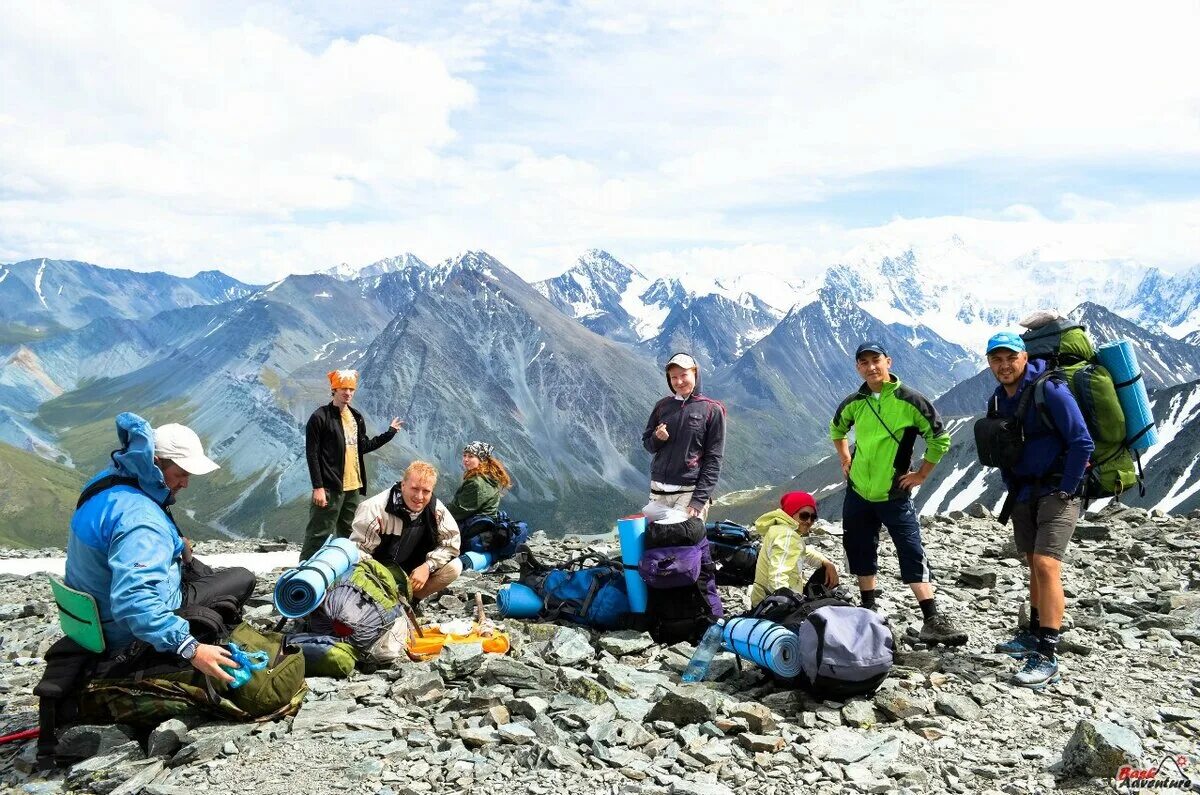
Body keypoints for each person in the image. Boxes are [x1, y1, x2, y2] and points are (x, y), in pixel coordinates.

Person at [65, 413, 255, 682]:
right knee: (241, 578)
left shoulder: (108, 482)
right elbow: (134, 601)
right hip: (125, 633)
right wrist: (190, 648)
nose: (185, 483)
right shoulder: (141, 522)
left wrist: (176, 543)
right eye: (181, 474)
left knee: (202, 573)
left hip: (96, 619)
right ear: (155, 463)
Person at [830, 341, 966, 645]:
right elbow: (837, 429)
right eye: (863, 363)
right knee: (860, 546)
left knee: (910, 547)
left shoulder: (911, 401)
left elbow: (939, 439)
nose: (870, 367)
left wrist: (921, 474)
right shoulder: (855, 402)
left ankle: (931, 618)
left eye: (875, 360)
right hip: (859, 491)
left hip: (894, 492)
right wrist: (845, 459)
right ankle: (868, 607)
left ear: (888, 362)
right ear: (858, 368)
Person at [984, 331, 1093, 688]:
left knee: (1047, 565)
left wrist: (1067, 488)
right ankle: (1032, 633)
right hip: (1025, 492)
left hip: (1059, 490)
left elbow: (1082, 440)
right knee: (1033, 563)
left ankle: (1047, 653)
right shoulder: (999, 399)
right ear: (989, 363)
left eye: (1010, 357)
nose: (1004, 365)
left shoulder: (1051, 389)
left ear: (1025, 357)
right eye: (996, 359)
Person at [302, 369, 402, 561]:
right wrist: (318, 487)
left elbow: (363, 447)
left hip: (353, 486)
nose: (347, 393)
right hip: (330, 488)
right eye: (343, 389)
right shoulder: (320, 417)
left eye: (351, 389)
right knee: (318, 533)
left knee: (350, 533)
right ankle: (304, 573)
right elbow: (312, 454)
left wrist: (389, 433)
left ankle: (344, 572)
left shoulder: (356, 417)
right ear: (334, 390)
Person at [350, 461, 462, 601]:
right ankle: (381, 600)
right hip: (378, 574)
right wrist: (383, 578)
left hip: (412, 573)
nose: (419, 497)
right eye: (414, 489)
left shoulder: (435, 510)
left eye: (426, 491)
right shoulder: (374, 509)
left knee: (455, 567)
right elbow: (358, 551)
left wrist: (428, 567)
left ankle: (410, 601)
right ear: (403, 485)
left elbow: (451, 544)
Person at [641, 352, 726, 522]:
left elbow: (714, 458)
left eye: (683, 375)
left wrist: (699, 500)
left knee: (683, 543)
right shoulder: (662, 406)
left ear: (695, 373)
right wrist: (657, 438)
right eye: (673, 377)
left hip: (689, 493)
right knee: (657, 543)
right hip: (658, 492)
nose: (679, 382)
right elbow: (648, 445)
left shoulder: (712, 409)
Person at [749, 490, 839, 607]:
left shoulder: (780, 529)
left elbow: (802, 552)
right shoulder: (787, 536)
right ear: (791, 513)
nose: (808, 521)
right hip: (774, 607)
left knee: (823, 572)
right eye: (804, 516)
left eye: (813, 517)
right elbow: (777, 577)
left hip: (762, 601)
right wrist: (792, 606)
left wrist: (826, 563)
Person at [445, 441, 512, 525]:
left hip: (472, 529)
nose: (465, 459)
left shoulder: (477, 483)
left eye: (471, 456)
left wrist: (438, 510)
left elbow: (458, 511)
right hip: (481, 526)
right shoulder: (488, 477)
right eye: (464, 455)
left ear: (481, 460)